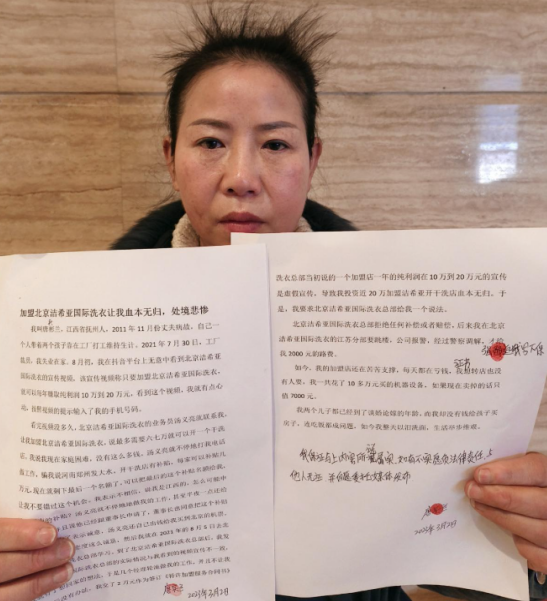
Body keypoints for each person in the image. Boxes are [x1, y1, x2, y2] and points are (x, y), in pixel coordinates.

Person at [1, 4, 546, 601]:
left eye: (276, 143)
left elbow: (449, 546)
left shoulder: (405, 322)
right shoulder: (72, 337)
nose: (242, 176)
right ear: (171, 160)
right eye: (211, 141)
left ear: (312, 160)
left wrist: (522, 541)